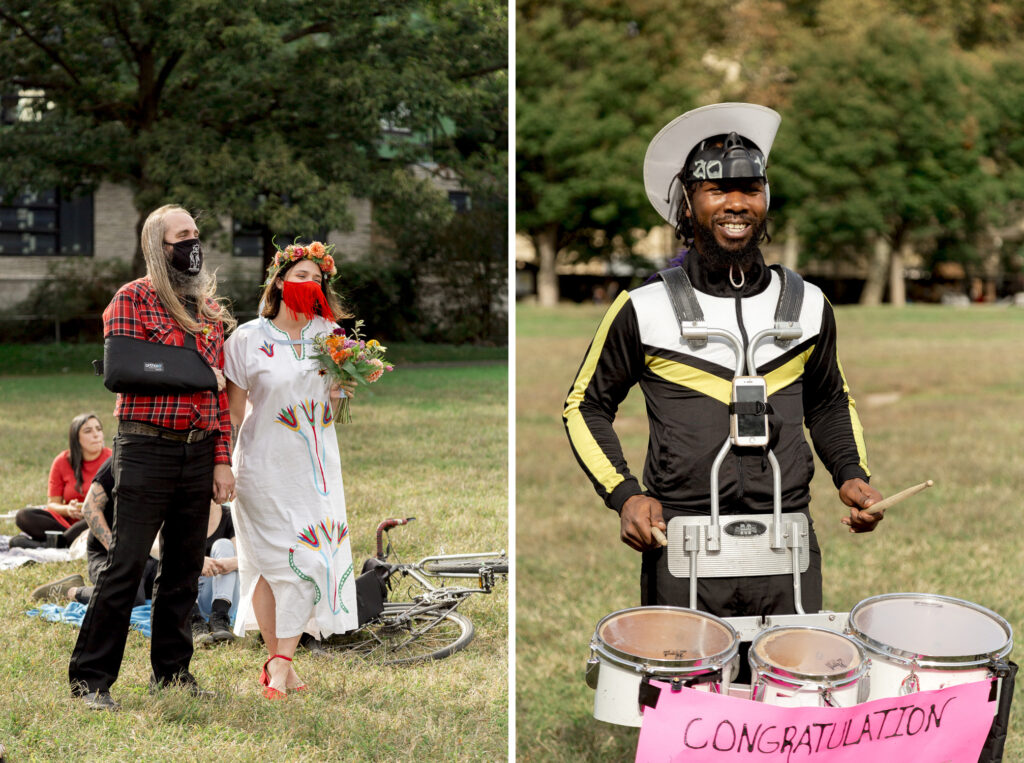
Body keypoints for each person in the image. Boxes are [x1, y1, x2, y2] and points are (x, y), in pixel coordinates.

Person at [563, 103, 884, 619]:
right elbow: (584, 405)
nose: (737, 204)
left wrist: (849, 473)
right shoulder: (642, 307)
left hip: (787, 542)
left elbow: (828, 402)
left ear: (766, 198)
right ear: (687, 204)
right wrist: (625, 495)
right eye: (718, 190)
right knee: (688, 697)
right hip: (682, 543)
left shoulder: (809, 304)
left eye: (751, 189)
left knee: (784, 693)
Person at [68, 204, 236, 711]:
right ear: (156, 246)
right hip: (144, 447)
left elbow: (219, 395)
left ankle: (173, 674)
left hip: (199, 450)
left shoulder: (208, 312)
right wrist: (197, 371)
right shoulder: (132, 300)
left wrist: (222, 458)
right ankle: (91, 681)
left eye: (196, 234)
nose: (193, 243)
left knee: (183, 570)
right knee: (126, 564)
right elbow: (121, 370)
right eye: (181, 235)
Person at [224, 240, 358, 700]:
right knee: (266, 565)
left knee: (314, 558)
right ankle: (281, 665)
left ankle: (280, 663)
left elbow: (336, 409)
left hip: (316, 466)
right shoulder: (246, 339)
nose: (310, 285)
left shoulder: (331, 336)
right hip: (261, 464)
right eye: (302, 277)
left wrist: (348, 382)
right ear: (279, 281)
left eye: (318, 280)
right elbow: (235, 414)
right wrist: (222, 462)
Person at [30, 458, 158, 607]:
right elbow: (90, 508)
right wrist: (119, 555)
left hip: (147, 556)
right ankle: (71, 591)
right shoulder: (123, 457)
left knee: (180, 589)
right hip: (108, 554)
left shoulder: (176, 463)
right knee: (131, 598)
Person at [11, 413, 111, 549]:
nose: (96, 434)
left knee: (100, 516)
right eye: (88, 431)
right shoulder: (61, 461)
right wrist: (68, 509)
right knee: (23, 516)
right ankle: (66, 541)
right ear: (76, 437)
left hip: (97, 520)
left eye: (99, 429)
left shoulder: (112, 458)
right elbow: (53, 504)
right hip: (66, 524)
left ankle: (55, 543)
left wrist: (91, 508)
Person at [190, 500, 240, 646]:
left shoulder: (230, 515)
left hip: (221, 593)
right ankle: (194, 621)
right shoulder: (180, 514)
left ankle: (219, 617)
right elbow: (157, 548)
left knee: (223, 544)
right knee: (173, 554)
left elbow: (247, 559)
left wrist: (228, 564)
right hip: (191, 594)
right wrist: (196, 561)